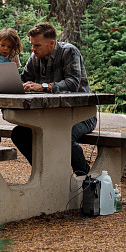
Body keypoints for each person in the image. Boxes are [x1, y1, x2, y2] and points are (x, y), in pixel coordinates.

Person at [11, 22, 97, 176]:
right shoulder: (35, 57)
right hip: (52, 116)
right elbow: (23, 80)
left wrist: (44, 86)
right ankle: (44, 173)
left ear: (51, 43)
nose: (33, 49)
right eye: (32, 45)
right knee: (19, 133)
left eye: (37, 45)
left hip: (81, 114)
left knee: (63, 134)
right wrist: (4, 81)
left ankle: (85, 178)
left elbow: (72, 83)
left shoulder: (69, 52)